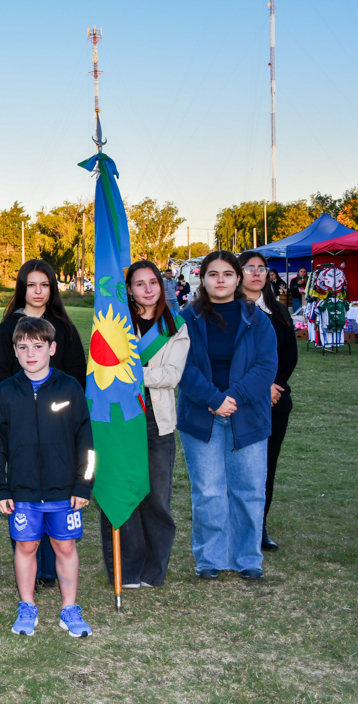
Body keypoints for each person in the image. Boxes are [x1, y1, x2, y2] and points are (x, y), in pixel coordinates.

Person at [0, 317, 94, 638]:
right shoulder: (6, 393)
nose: (30, 353)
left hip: (64, 490)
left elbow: (86, 443)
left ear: (52, 348)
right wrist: (1, 488)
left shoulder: (70, 388)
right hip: (23, 491)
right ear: (14, 351)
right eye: (23, 347)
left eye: (38, 346)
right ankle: (27, 606)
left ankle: (69, 608)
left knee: (65, 546)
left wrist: (83, 484)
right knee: (26, 545)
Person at [177, 251, 277, 581]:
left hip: (247, 415)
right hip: (201, 416)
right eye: (213, 274)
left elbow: (266, 366)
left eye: (227, 274)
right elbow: (182, 366)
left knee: (250, 489)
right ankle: (210, 558)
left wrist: (232, 398)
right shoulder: (185, 319)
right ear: (202, 279)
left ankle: (247, 558)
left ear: (238, 278)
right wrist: (213, 399)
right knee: (208, 491)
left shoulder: (259, 320)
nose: (220, 280)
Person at [0, 259, 85, 587]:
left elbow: (77, 371)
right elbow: (0, 374)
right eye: (31, 285)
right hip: (21, 421)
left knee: (56, 496)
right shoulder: (8, 328)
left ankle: (50, 571)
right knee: (27, 497)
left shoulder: (64, 326)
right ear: (22, 288)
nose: (38, 291)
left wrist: (62, 406)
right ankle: (30, 563)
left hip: (57, 421)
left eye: (44, 285)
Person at [100, 261, 189, 589]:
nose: (148, 289)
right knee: (124, 492)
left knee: (156, 498)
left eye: (153, 282)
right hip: (121, 418)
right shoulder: (118, 323)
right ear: (129, 289)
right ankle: (127, 569)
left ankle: (154, 569)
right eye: (139, 284)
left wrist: (130, 373)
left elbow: (171, 375)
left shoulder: (175, 325)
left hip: (157, 421)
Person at [238, 251, 297, 552]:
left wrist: (275, 387)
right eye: (250, 268)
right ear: (239, 273)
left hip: (275, 402)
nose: (257, 273)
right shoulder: (228, 310)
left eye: (262, 268)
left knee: (266, 466)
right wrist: (262, 388)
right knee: (240, 467)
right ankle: (236, 526)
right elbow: (232, 360)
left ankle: (259, 526)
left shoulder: (279, 311)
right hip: (241, 402)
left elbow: (289, 356)